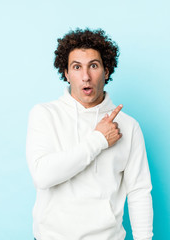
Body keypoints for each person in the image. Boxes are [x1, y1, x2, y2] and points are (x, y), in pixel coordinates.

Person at [26, 28, 153, 240]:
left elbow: (139, 192)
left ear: (106, 71)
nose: (85, 76)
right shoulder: (45, 115)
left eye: (93, 66)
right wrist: (99, 140)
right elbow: (42, 176)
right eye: (76, 67)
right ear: (66, 73)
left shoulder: (128, 126)